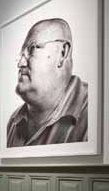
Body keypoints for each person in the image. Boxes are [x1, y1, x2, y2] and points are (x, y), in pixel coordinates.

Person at [7, 18, 88, 147]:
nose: (20, 63)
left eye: (31, 49)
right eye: (21, 54)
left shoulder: (92, 112)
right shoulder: (14, 121)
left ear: (62, 53)